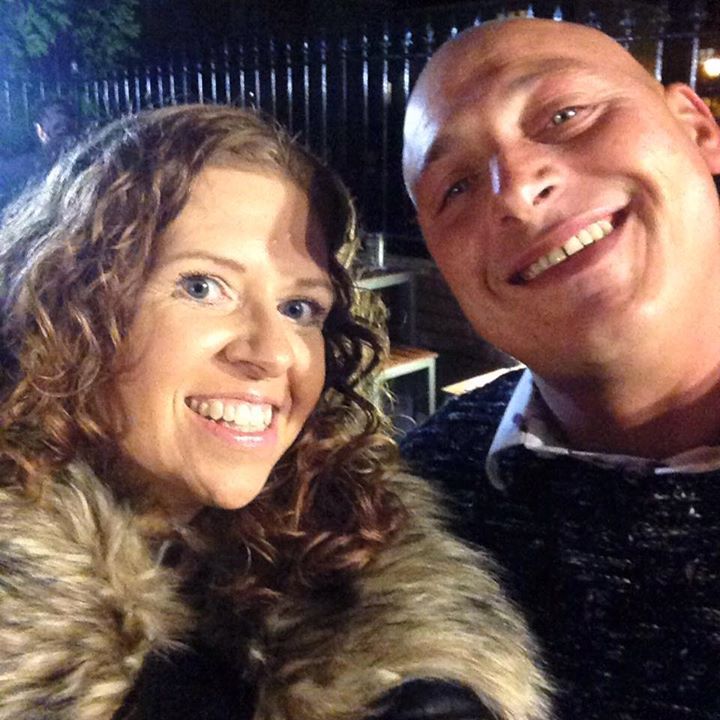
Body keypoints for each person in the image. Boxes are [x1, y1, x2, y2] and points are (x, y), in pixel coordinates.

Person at [0, 104, 550, 719]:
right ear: (66, 303)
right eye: (202, 287)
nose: (273, 353)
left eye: (299, 309)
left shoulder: (356, 543)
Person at [401, 16, 720, 720]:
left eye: (565, 114)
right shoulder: (408, 511)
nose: (515, 190)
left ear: (697, 128)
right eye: (456, 186)